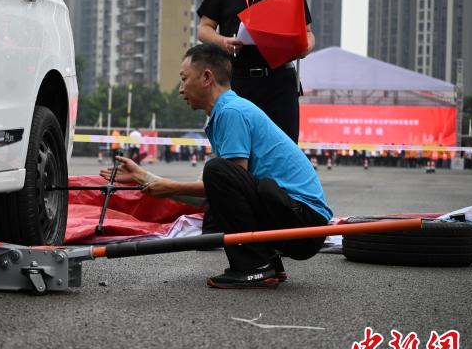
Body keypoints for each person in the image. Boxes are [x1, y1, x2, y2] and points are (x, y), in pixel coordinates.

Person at [101, 44, 332, 289]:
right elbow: (218, 194)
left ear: (207, 77)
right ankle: (265, 262)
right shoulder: (226, 112)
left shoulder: (231, 112)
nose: (181, 89)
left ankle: (254, 267)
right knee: (217, 173)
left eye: (184, 79)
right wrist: (144, 178)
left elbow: (224, 184)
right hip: (298, 221)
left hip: (305, 223)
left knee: (217, 171)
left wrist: (166, 187)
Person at [197, 0, 315, 142]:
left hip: (279, 82)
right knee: (236, 147)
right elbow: (204, 29)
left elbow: (308, 33)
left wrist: (304, 47)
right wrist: (223, 42)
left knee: (282, 147)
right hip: (236, 80)